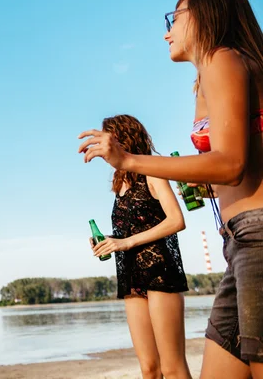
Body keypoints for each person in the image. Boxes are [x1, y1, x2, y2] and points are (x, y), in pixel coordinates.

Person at [78, 0, 263, 377]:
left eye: (173, 18)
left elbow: (230, 162)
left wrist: (130, 159)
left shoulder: (223, 59)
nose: (167, 32)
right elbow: (235, 165)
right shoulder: (207, 77)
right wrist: (208, 185)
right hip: (239, 240)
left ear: (207, 16)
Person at [90, 114, 191, 379]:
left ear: (122, 138)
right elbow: (134, 227)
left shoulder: (153, 171)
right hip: (131, 276)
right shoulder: (120, 182)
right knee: (149, 368)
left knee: (172, 368)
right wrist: (110, 241)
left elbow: (177, 220)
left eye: (105, 140)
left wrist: (126, 242)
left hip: (160, 271)